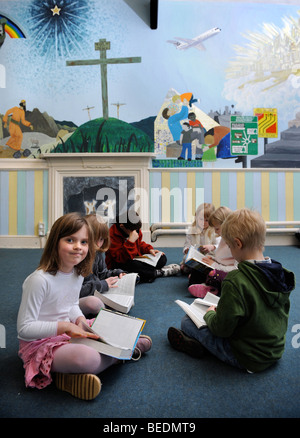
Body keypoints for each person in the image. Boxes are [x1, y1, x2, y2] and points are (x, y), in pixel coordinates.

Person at [17, 212, 152, 401]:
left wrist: (79, 319)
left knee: (114, 325)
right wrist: (64, 326)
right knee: (88, 358)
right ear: (55, 241)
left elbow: (71, 304)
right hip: (41, 342)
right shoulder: (39, 280)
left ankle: (111, 352)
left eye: (84, 242)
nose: (77, 247)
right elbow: (24, 329)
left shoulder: (77, 273)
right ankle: (125, 352)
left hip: (68, 332)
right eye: (70, 240)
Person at [168, 208, 295, 373]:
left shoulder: (235, 280)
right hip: (274, 351)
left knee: (187, 322)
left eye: (229, 245)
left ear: (238, 244)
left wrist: (210, 314)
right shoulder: (280, 273)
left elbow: (222, 329)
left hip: (246, 357)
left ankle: (203, 347)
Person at [106, 210, 180, 282]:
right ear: (122, 226)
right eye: (133, 231)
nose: (136, 232)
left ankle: (148, 273)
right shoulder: (111, 235)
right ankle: (158, 272)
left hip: (136, 258)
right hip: (120, 263)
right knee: (134, 265)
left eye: (137, 230)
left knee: (162, 258)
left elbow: (139, 244)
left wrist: (149, 250)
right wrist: (130, 242)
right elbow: (120, 259)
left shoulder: (135, 228)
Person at [79, 213, 127, 316]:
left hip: (97, 290)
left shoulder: (98, 253)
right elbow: (77, 291)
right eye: (94, 239)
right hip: (78, 298)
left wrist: (116, 273)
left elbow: (102, 273)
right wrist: (102, 285)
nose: (98, 244)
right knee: (95, 304)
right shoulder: (78, 257)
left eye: (101, 239)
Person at [188, 206, 237, 298]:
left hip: (229, 273)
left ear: (227, 225)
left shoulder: (234, 243)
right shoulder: (224, 238)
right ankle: (203, 284)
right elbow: (224, 258)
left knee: (214, 274)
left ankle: (210, 288)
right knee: (197, 267)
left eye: (217, 229)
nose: (215, 232)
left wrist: (215, 265)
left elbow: (236, 269)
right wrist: (213, 259)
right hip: (220, 267)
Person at [180, 203, 219, 278]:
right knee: (186, 258)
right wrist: (186, 250)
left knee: (210, 262)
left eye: (207, 220)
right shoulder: (192, 230)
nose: (203, 222)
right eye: (201, 219)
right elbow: (187, 245)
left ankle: (192, 271)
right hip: (195, 255)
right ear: (196, 216)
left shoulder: (214, 231)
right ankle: (191, 269)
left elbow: (217, 247)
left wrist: (211, 247)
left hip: (209, 256)